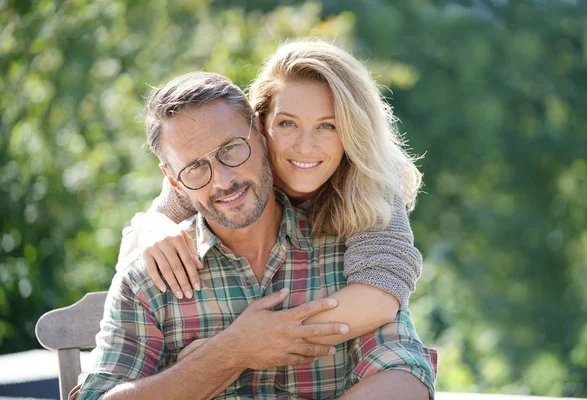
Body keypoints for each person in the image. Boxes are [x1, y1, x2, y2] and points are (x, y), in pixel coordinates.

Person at [74, 71, 436, 399]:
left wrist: (263, 340)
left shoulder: (351, 247)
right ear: (173, 180)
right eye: (195, 167)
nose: (223, 180)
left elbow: (403, 372)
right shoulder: (151, 277)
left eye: (232, 148)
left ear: (261, 135)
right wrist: (230, 351)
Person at [120, 40, 425, 346]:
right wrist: (152, 227)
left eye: (328, 126)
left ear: (354, 131)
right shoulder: (225, 171)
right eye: (287, 123)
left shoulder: (370, 183)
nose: (305, 147)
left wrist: (237, 350)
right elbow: (132, 257)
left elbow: (379, 296)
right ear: (260, 124)